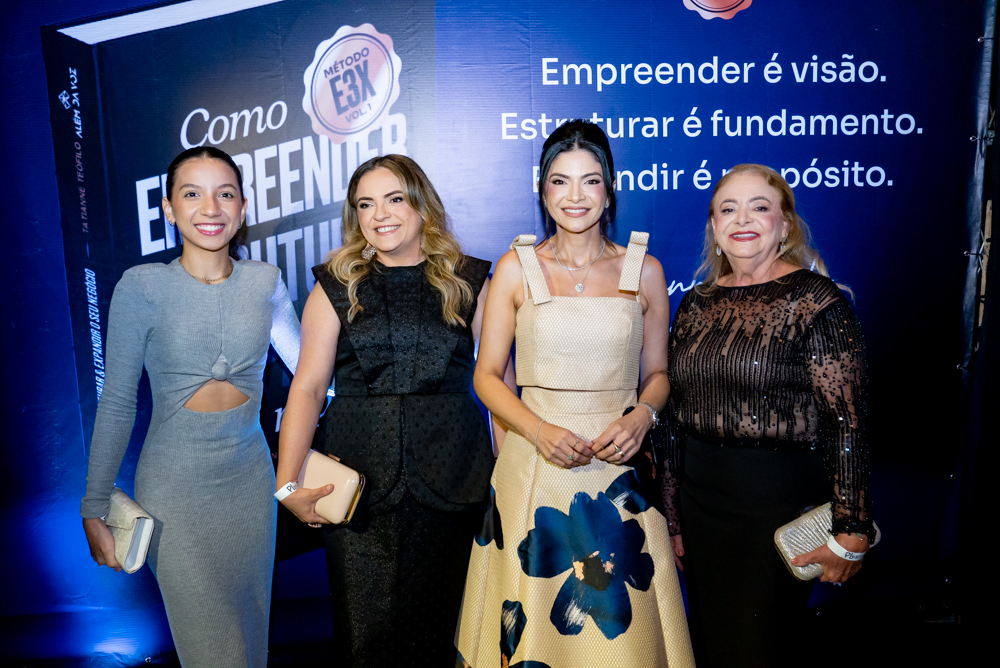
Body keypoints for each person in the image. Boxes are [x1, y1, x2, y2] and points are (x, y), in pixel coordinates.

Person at [457, 120, 694, 668]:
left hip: (619, 472)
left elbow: (659, 373)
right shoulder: (516, 269)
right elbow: (487, 375)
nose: (575, 196)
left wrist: (643, 415)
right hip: (535, 466)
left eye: (590, 180)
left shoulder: (645, 270)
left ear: (610, 190)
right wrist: (538, 431)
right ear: (542, 191)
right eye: (560, 181)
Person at [81, 146, 300, 667]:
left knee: (251, 647)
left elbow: (313, 378)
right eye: (192, 194)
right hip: (174, 495)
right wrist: (93, 507)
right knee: (213, 653)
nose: (210, 208)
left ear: (242, 207)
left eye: (225, 194)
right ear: (169, 208)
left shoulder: (265, 282)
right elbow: (117, 402)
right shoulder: (142, 287)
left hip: (250, 489)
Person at [275, 154, 497, 667]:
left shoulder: (469, 281)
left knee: (446, 641)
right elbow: (307, 388)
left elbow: (496, 387)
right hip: (356, 491)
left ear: (422, 205)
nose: (380, 214)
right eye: (366, 204)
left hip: (456, 481)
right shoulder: (335, 285)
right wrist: (287, 485)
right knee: (365, 645)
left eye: (395, 199)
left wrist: (506, 480)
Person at [665, 163, 875, 667]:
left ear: (785, 225)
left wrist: (853, 529)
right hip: (700, 508)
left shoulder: (816, 302)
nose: (742, 219)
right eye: (728, 209)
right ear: (714, 227)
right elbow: (674, 416)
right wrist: (672, 517)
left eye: (759, 207)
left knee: (757, 651)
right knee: (711, 648)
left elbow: (846, 423)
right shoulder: (695, 304)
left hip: (775, 510)